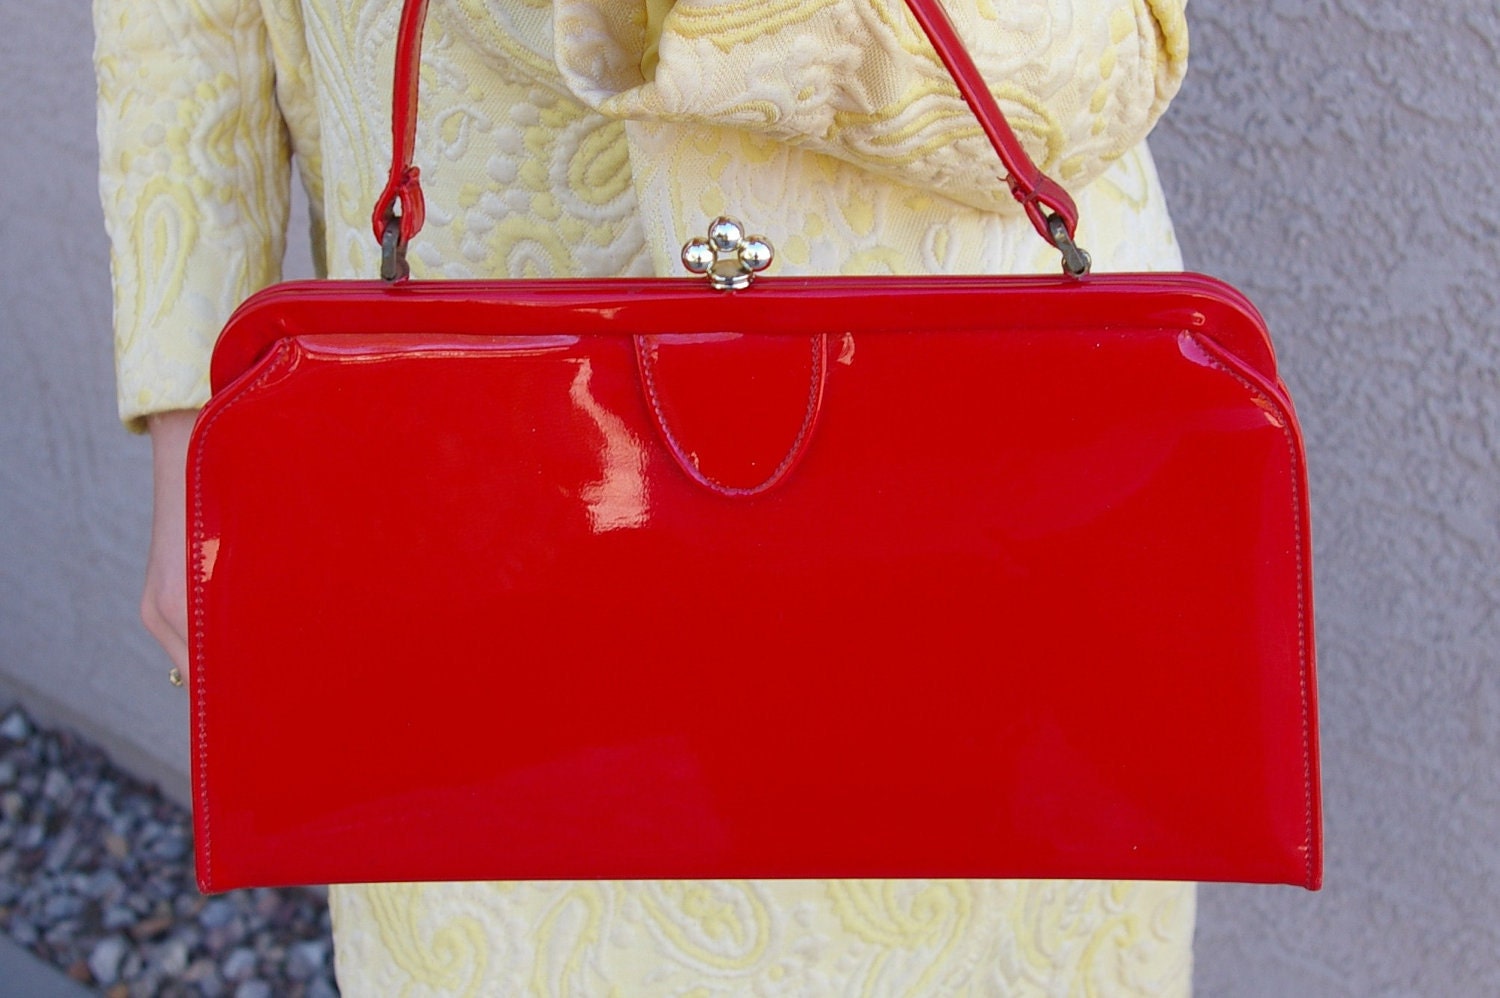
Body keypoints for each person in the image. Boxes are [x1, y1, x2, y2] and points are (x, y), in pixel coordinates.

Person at [96, 0, 1196, 992]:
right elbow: (180, 23)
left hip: (959, 459)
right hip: (475, 455)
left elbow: (1110, 51)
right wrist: (195, 422)